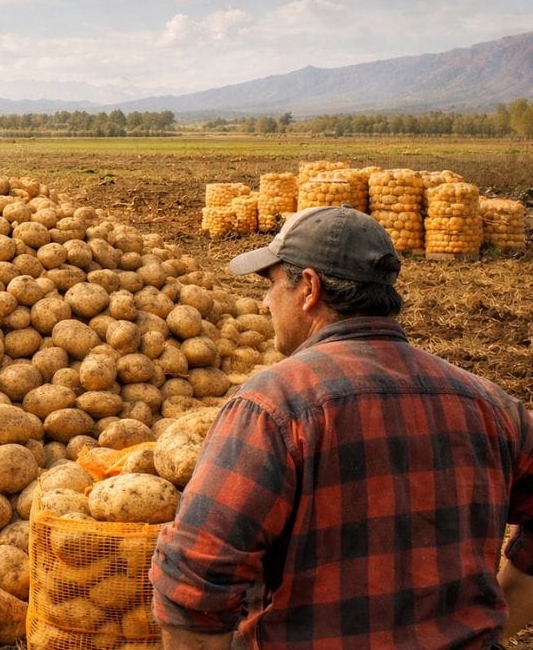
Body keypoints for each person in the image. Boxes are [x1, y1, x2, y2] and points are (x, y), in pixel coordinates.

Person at [150, 204, 533, 649]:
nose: (264, 301)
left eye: (272, 284)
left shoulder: (274, 404)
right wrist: (495, 622)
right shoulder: (490, 404)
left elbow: (195, 582)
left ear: (309, 288)